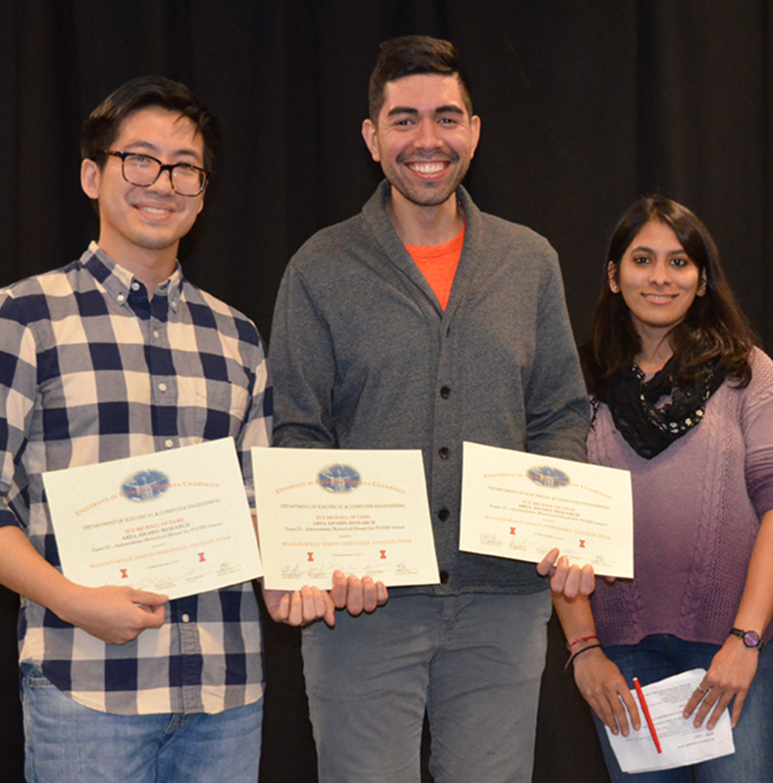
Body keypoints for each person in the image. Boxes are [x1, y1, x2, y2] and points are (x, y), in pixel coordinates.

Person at [0, 76, 298, 781]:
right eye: (140, 159)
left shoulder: (238, 336)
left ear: (202, 188)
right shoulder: (21, 316)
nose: (162, 181)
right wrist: (74, 601)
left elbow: (264, 502)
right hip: (86, 687)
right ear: (91, 174)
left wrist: (310, 564)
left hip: (227, 693)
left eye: (185, 166)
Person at [267, 35, 591, 782]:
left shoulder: (528, 260)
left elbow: (558, 416)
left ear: (473, 132)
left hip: (502, 602)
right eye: (404, 119)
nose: (427, 139)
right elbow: (299, 432)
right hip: (362, 608)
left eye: (446, 117)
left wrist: (564, 527)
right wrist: (316, 556)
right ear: (371, 137)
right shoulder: (320, 267)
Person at [553, 197, 773, 782]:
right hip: (620, 661)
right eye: (642, 259)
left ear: (702, 279)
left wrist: (746, 641)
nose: (661, 277)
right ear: (614, 276)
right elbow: (554, 522)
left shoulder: (750, 374)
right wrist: (584, 651)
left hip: (732, 653)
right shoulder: (573, 384)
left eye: (679, 262)